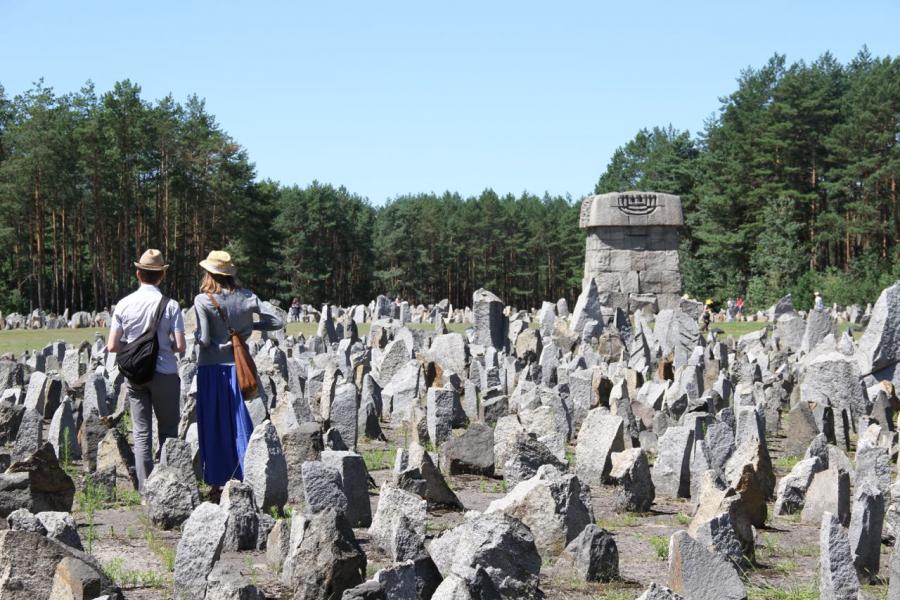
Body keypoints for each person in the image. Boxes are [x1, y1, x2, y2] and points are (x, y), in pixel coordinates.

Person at [192, 250, 284, 500]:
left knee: (213, 424)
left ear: (209, 273)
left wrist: (194, 339)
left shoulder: (203, 300)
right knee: (239, 421)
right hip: (239, 368)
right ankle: (248, 473)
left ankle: (216, 482)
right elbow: (278, 320)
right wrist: (247, 328)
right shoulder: (247, 297)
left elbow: (204, 338)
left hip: (211, 369)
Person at [106, 249, 185, 491]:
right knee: (169, 431)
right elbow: (180, 346)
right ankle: (167, 487)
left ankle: (145, 489)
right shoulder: (170, 306)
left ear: (138, 273)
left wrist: (134, 349)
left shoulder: (123, 304)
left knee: (141, 433)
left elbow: (112, 346)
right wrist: (163, 345)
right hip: (165, 373)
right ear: (161, 275)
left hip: (136, 376)